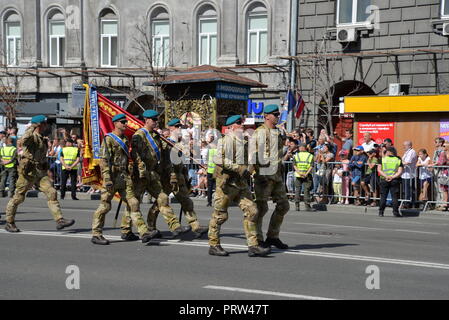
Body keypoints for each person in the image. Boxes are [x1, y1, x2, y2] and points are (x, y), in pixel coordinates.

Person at [208, 114, 270, 257]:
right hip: (226, 184)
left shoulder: (245, 142)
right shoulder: (226, 140)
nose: (242, 125)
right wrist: (238, 168)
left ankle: (253, 245)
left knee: (252, 211)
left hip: (241, 184)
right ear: (231, 127)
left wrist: (254, 171)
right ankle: (213, 244)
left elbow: (250, 160)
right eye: (238, 122)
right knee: (220, 216)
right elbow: (218, 159)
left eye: (242, 122)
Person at [91, 113, 155, 245]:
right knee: (104, 206)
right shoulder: (108, 139)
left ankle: (143, 232)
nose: (125, 124)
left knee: (134, 203)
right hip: (112, 178)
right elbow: (104, 161)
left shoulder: (125, 139)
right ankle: (96, 234)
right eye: (122, 122)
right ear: (115, 123)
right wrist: (107, 179)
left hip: (124, 177)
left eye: (126, 122)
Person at [4, 115, 75, 233]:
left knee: (51, 192)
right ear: (38, 125)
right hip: (28, 172)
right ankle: (9, 222)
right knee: (18, 197)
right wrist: (32, 127)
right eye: (44, 124)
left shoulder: (42, 137)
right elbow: (24, 140)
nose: (46, 126)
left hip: (40, 173)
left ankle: (59, 220)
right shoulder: (31, 136)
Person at [147, 117, 208, 238]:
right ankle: (150, 226)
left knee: (186, 201)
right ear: (171, 128)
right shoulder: (165, 143)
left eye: (181, 127)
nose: (180, 129)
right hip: (168, 177)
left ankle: (195, 226)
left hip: (179, 176)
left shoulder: (178, 143)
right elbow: (164, 160)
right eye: (177, 127)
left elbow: (183, 159)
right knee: (160, 203)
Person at [251, 104, 290, 250]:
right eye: (275, 114)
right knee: (261, 208)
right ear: (266, 116)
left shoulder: (277, 132)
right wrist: (257, 172)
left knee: (283, 206)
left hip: (277, 175)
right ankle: (258, 239)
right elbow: (254, 154)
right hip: (264, 176)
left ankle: (273, 236)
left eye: (278, 114)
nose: (277, 117)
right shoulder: (260, 132)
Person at [377, 146, 403, 217]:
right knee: (394, 197)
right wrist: (392, 177)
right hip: (394, 180)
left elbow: (379, 170)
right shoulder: (398, 159)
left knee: (383, 196)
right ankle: (395, 212)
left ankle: (381, 212)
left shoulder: (382, 159)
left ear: (388, 152)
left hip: (384, 179)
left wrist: (386, 176)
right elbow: (400, 172)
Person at [293, 142, 315, 212]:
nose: (299, 148)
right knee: (306, 191)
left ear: (302, 147)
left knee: (297, 190)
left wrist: (299, 173)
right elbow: (311, 166)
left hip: (298, 175)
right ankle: (307, 206)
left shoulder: (296, 155)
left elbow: (294, 165)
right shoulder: (310, 156)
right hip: (307, 175)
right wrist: (306, 174)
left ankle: (297, 206)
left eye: (299, 147)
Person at [401, 141, 417, 209]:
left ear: (410, 146)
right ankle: (407, 203)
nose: (404, 147)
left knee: (408, 190)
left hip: (409, 174)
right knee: (405, 190)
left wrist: (399, 164)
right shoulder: (407, 152)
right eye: (403, 145)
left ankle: (407, 204)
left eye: (405, 145)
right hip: (405, 174)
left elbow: (407, 162)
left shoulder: (411, 152)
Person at [206, 136, 217, 207]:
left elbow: (206, 159)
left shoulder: (209, 150)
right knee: (217, 188)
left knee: (210, 187)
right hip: (216, 171)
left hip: (210, 170)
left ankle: (209, 202)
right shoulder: (217, 150)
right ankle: (217, 202)